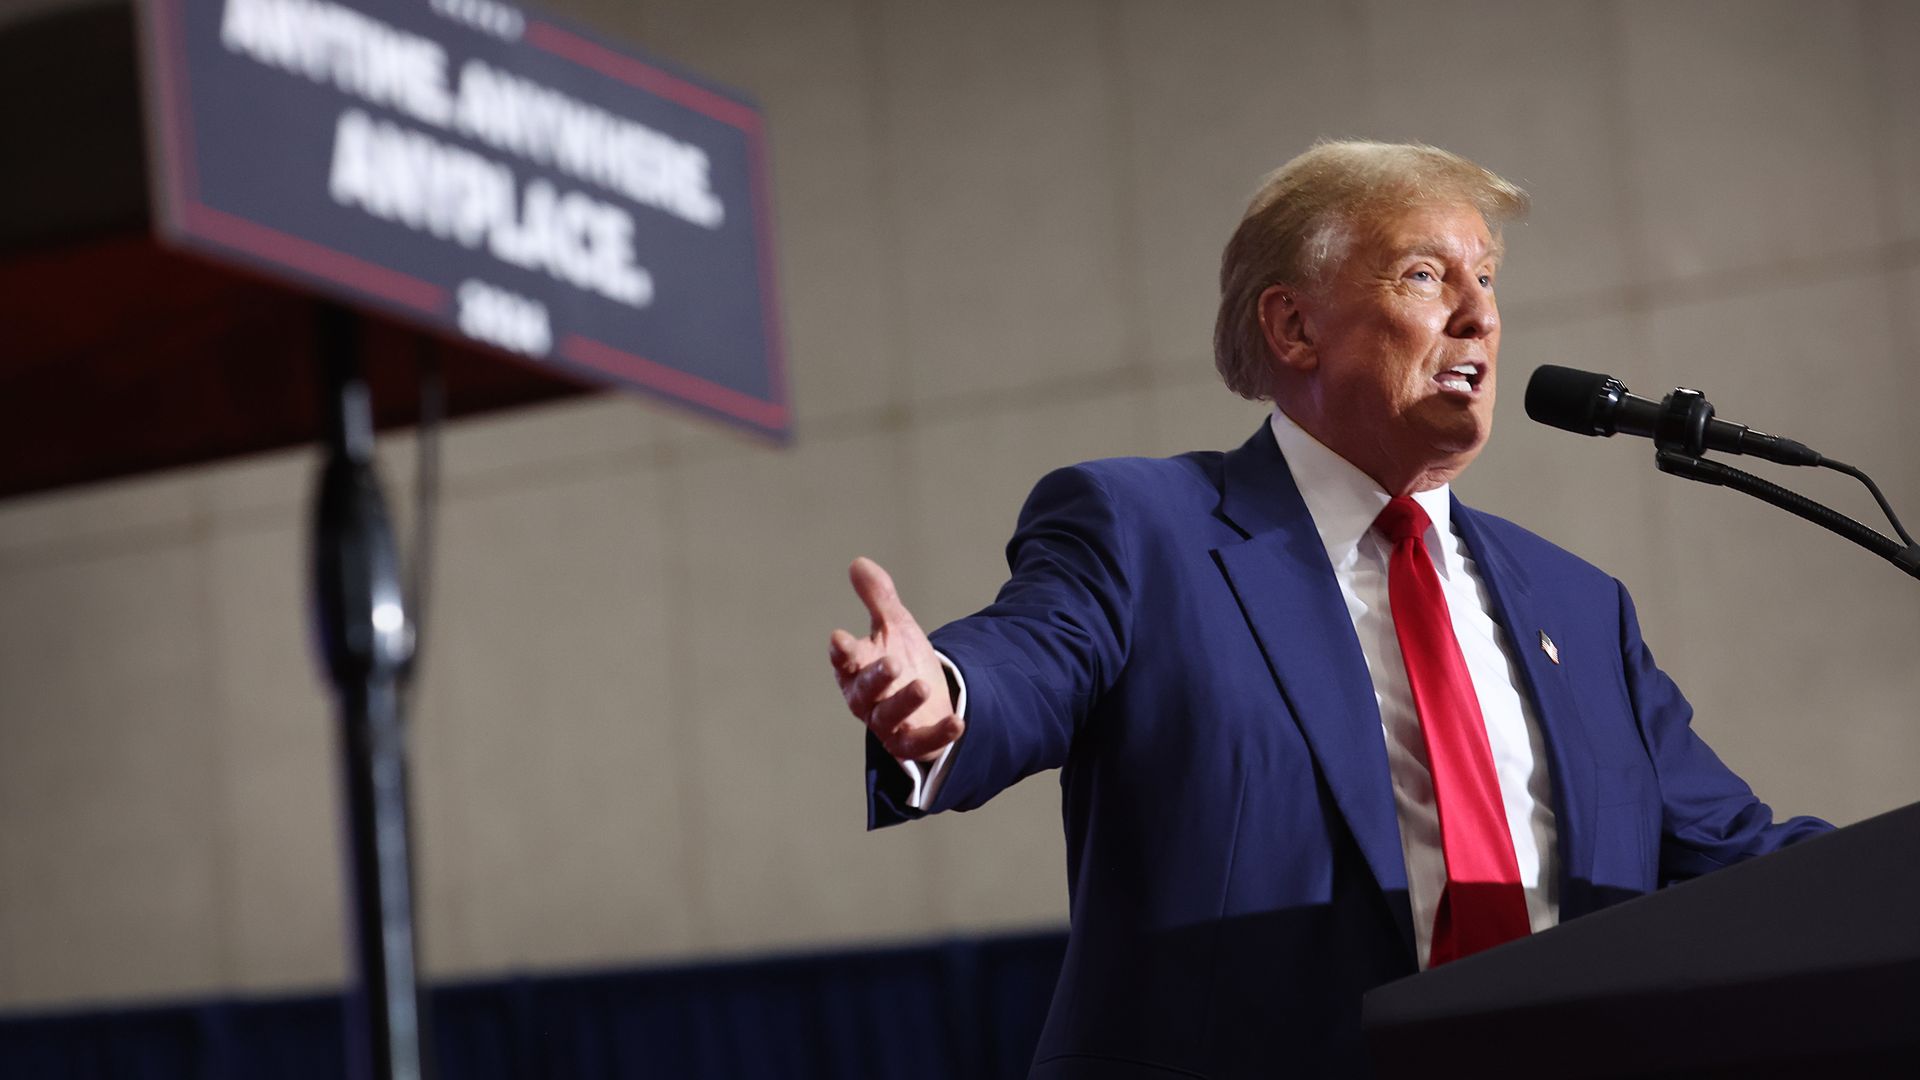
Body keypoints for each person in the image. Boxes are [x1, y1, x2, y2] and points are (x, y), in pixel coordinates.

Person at [827, 140, 1828, 1079]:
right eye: (1428, 276)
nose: (1479, 315)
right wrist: (945, 696)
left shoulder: (1581, 606)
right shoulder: (1148, 531)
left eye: (1489, 279)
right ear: (1294, 325)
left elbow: (1743, 863)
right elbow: (1032, 659)